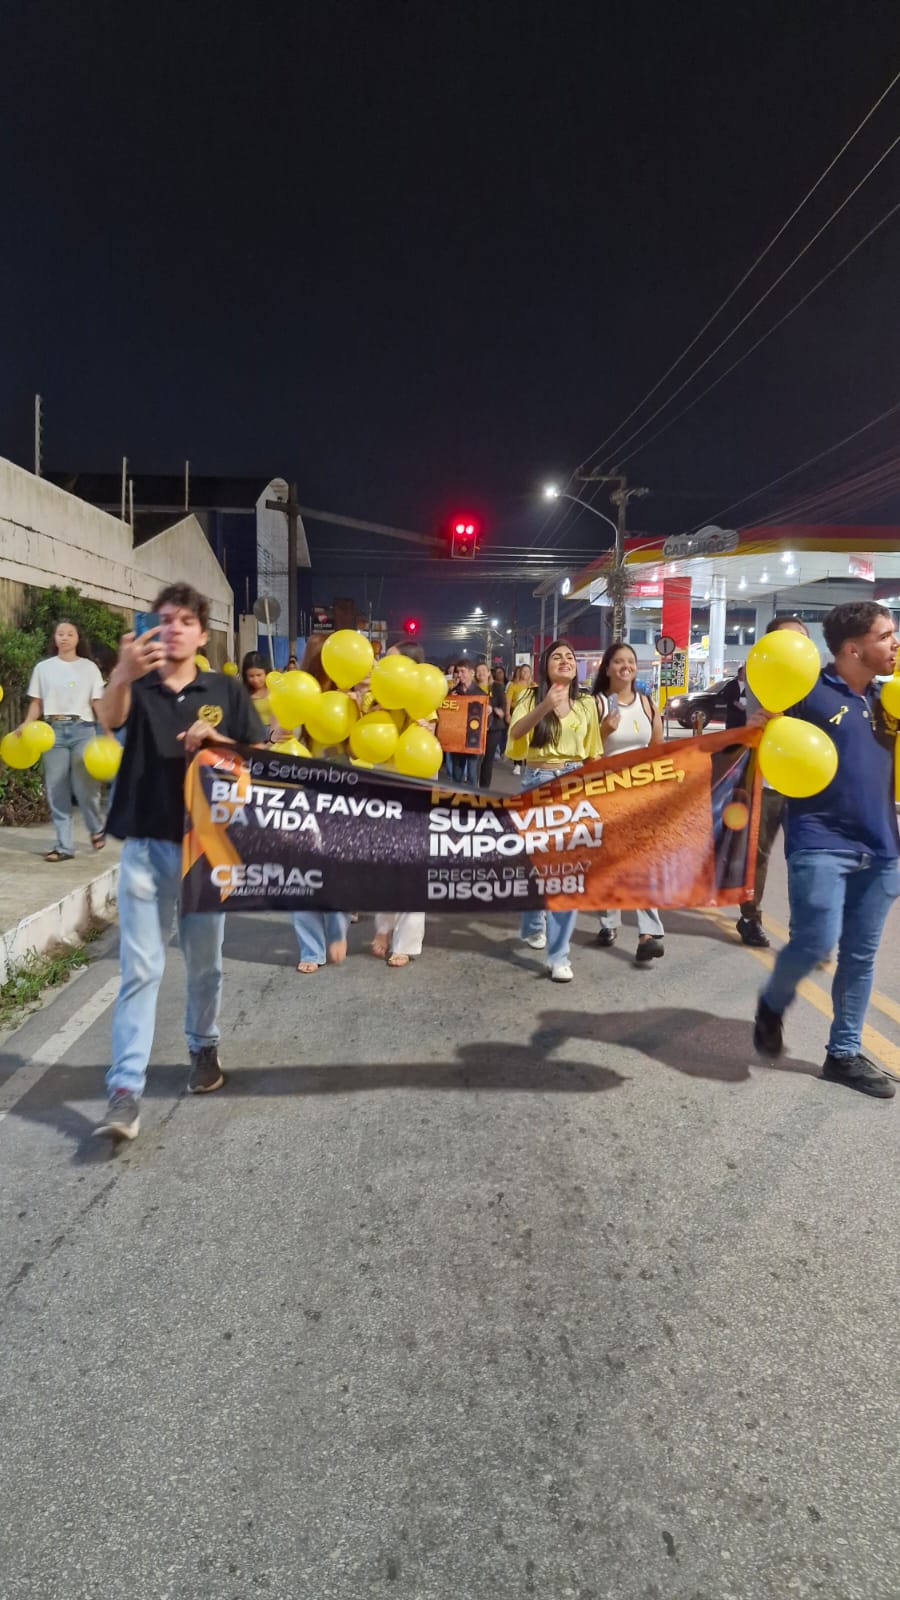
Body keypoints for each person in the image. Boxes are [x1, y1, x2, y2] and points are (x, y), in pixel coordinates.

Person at [94, 583, 266, 1141]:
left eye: (184, 620)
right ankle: (125, 1090)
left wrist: (218, 740)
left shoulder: (225, 689)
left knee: (205, 963)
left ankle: (204, 1047)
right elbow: (109, 721)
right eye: (164, 619)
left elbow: (260, 758)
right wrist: (121, 674)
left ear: (201, 633)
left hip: (205, 851)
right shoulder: (136, 684)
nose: (173, 628)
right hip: (145, 848)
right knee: (141, 969)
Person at [753, 600, 900, 1098]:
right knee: (815, 942)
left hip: (882, 845)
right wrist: (762, 723)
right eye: (886, 635)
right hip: (820, 840)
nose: (895, 644)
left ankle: (843, 1054)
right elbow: (765, 739)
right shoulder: (807, 692)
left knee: (860, 956)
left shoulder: (889, 699)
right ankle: (772, 1003)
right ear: (853, 649)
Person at [507, 639, 602, 982]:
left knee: (566, 869)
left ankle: (559, 955)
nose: (565, 661)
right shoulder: (529, 696)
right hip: (538, 780)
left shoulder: (587, 702)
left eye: (570, 657)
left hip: (574, 784)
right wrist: (545, 705)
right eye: (557, 657)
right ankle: (534, 922)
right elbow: (516, 733)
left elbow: (592, 752)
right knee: (537, 862)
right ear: (545, 666)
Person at [737, 617, 812, 948]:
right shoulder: (759, 677)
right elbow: (740, 733)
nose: (795, 646)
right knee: (757, 855)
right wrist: (749, 728)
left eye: (802, 638)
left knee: (805, 857)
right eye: (787, 639)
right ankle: (750, 917)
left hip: (807, 782)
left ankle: (804, 930)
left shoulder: (819, 684)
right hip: (765, 781)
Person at [592, 642, 666, 964]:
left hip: (642, 796)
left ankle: (649, 933)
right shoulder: (596, 704)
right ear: (607, 668)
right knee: (610, 862)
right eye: (618, 661)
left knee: (643, 863)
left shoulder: (648, 704)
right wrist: (602, 731)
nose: (626, 666)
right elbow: (585, 754)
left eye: (631, 661)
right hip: (606, 796)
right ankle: (609, 922)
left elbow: (658, 750)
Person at [19, 620, 107, 861]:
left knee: (86, 788)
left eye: (70, 634)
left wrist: (107, 729)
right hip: (52, 733)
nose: (65, 637)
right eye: (60, 633)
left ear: (78, 639)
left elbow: (97, 702)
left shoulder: (89, 668)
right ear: (55, 638)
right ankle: (64, 847)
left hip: (83, 730)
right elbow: (36, 702)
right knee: (56, 788)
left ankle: (96, 827)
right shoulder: (43, 668)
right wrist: (26, 723)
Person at [443, 659, 486, 787]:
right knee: (457, 776)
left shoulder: (481, 694)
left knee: (473, 776)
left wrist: (488, 713)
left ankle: (473, 798)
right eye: (458, 672)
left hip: (474, 739)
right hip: (457, 739)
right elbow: (446, 716)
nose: (460, 675)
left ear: (472, 673)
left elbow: (488, 720)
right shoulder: (453, 693)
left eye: (463, 671)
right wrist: (450, 701)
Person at [475, 661, 507, 788]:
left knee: (488, 759)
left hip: (493, 728)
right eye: (478, 671)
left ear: (489, 673)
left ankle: (484, 788)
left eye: (484, 670)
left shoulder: (497, 687)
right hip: (476, 728)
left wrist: (493, 709)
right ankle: (472, 786)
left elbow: (503, 705)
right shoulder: (472, 688)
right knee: (475, 760)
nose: (481, 673)